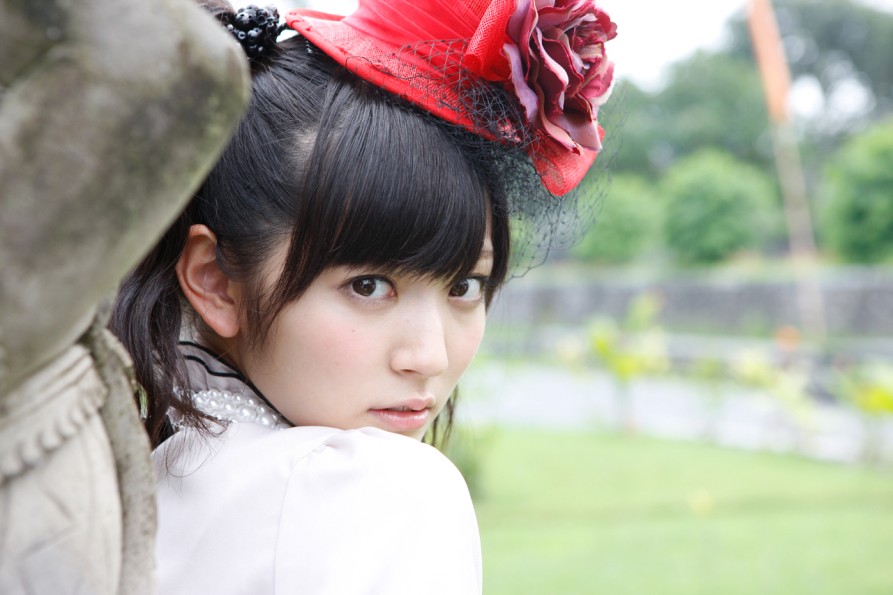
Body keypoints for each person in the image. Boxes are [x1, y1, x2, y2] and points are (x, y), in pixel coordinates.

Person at [110, 0, 616, 592]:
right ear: (216, 280)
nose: (428, 356)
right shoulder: (381, 491)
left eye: (463, 286)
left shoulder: (133, 484)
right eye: (369, 286)